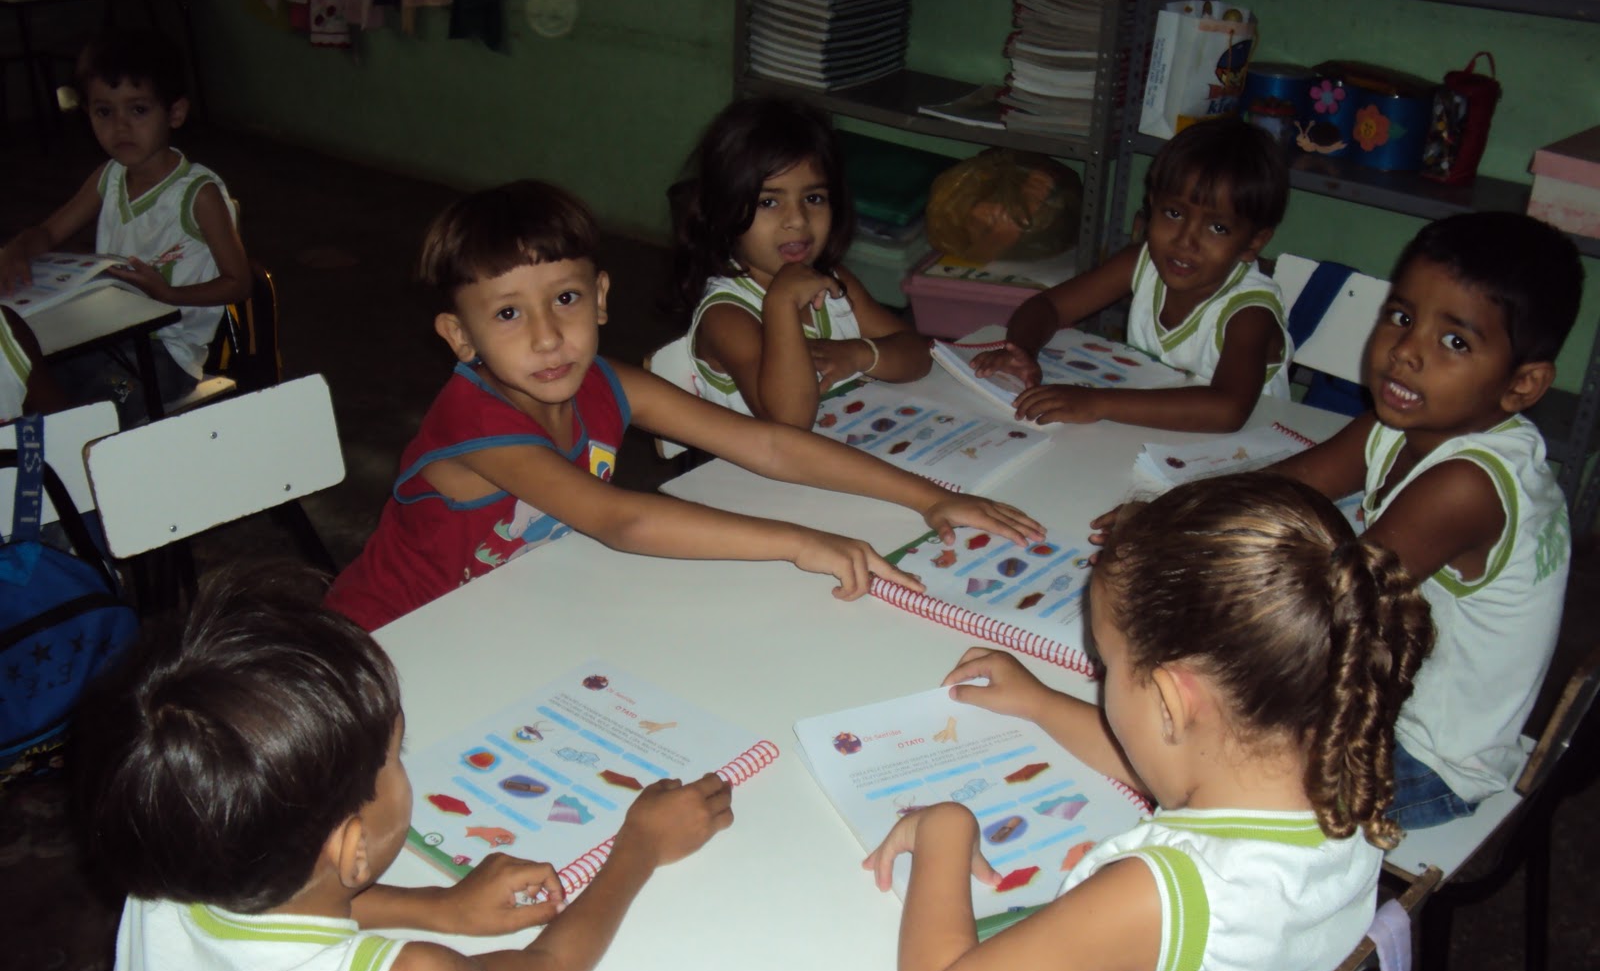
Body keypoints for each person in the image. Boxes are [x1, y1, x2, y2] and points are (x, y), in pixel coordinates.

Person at [834, 472, 1432, 971]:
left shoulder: (1152, 896)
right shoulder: (1346, 782)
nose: (1098, 678)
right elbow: (1172, 759)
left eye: (1107, 666)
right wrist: (1040, 705)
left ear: (1177, 702)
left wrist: (946, 830)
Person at [79, 561, 735, 971]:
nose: (405, 765)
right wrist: (639, 846)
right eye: (396, 756)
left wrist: (439, 908)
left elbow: (286, 898)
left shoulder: (162, 887)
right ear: (354, 845)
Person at [325, 179, 1040, 632]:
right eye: (508, 315)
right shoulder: (477, 425)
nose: (548, 337)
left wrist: (930, 499)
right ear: (460, 336)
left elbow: (767, 444)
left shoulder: (607, 382)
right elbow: (621, 518)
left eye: (565, 300)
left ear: (601, 296)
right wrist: (801, 541)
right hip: (391, 640)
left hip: (510, 611)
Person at [1268, 211, 1580, 829]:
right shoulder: (1400, 426)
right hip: (1376, 692)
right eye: (1403, 317)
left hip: (1428, 755)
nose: (1406, 352)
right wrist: (1179, 511)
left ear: (1522, 385)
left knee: (1212, 773)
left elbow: (1329, 609)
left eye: (1455, 341)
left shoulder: (1469, 486)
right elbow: (1282, 488)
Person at [973, 117, 1291, 433]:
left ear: (1253, 242)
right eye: (1174, 213)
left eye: (1218, 228)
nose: (1185, 241)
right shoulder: (1141, 261)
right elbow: (1047, 307)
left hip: (1245, 451)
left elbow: (1228, 410)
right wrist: (1022, 352)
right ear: (1153, 206)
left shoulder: (1249, 313)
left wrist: (1097, 403)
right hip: (1154, 430)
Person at [0, 30, 250, 422]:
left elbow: (239, 282)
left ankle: (80, 463)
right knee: (28, 378)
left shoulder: (197, 195)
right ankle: (54, 460)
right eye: (104, 112)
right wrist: (16, 248)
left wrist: (167, 293)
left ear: (175, 113)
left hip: (168, 354)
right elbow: (48, 233)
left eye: (137, 110)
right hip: (108, 336)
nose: (120, 127)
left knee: (89, 411)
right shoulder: (109, 177)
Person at [667, 96, 931, 429]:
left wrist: (859, 354)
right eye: (768, 202)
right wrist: (781, 303)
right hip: (760, 475)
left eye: (813, 198)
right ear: (723, 210)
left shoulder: (835, 283)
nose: (797, 219)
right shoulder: (727, 316)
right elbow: (789, 422)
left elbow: (918, 355)